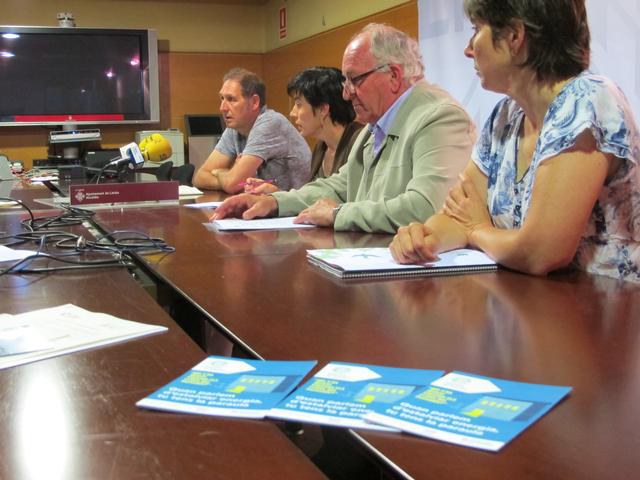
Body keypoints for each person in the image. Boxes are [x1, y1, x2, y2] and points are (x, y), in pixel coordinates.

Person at [390, 0, 640, 282]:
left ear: (514, 36)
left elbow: (541, 252)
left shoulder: (587, 100)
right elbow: (459, 214)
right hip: (535, 297)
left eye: (476, 30)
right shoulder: (505, 116)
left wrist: (477, 231)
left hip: (609, 300)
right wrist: (424, 238)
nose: (468, 49)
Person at [213, 23, 475, 233]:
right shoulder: (373, 127)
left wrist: (338, 214)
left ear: (394, 76)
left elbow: (427, 207)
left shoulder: (439, 118)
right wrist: (273, 202)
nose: (346, 94)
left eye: (354, 80)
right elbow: (338, 187)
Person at [243, 66, 363, 194]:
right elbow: (314, 197)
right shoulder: (322, 146)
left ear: (323, 109)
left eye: (299, 105)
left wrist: (280, 197)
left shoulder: (359, 142)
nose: (293, 113)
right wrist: (276, 193)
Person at [192, 68, 311, 193]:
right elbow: (200, 177)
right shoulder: (235, 128)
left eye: (231, 99)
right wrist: (230, 177)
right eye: (222, 98)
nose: (222, 108)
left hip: (296, 204)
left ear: (254, 102)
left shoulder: (270, 123)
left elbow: (233, 184)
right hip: (264, 202)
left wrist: (220, 172)